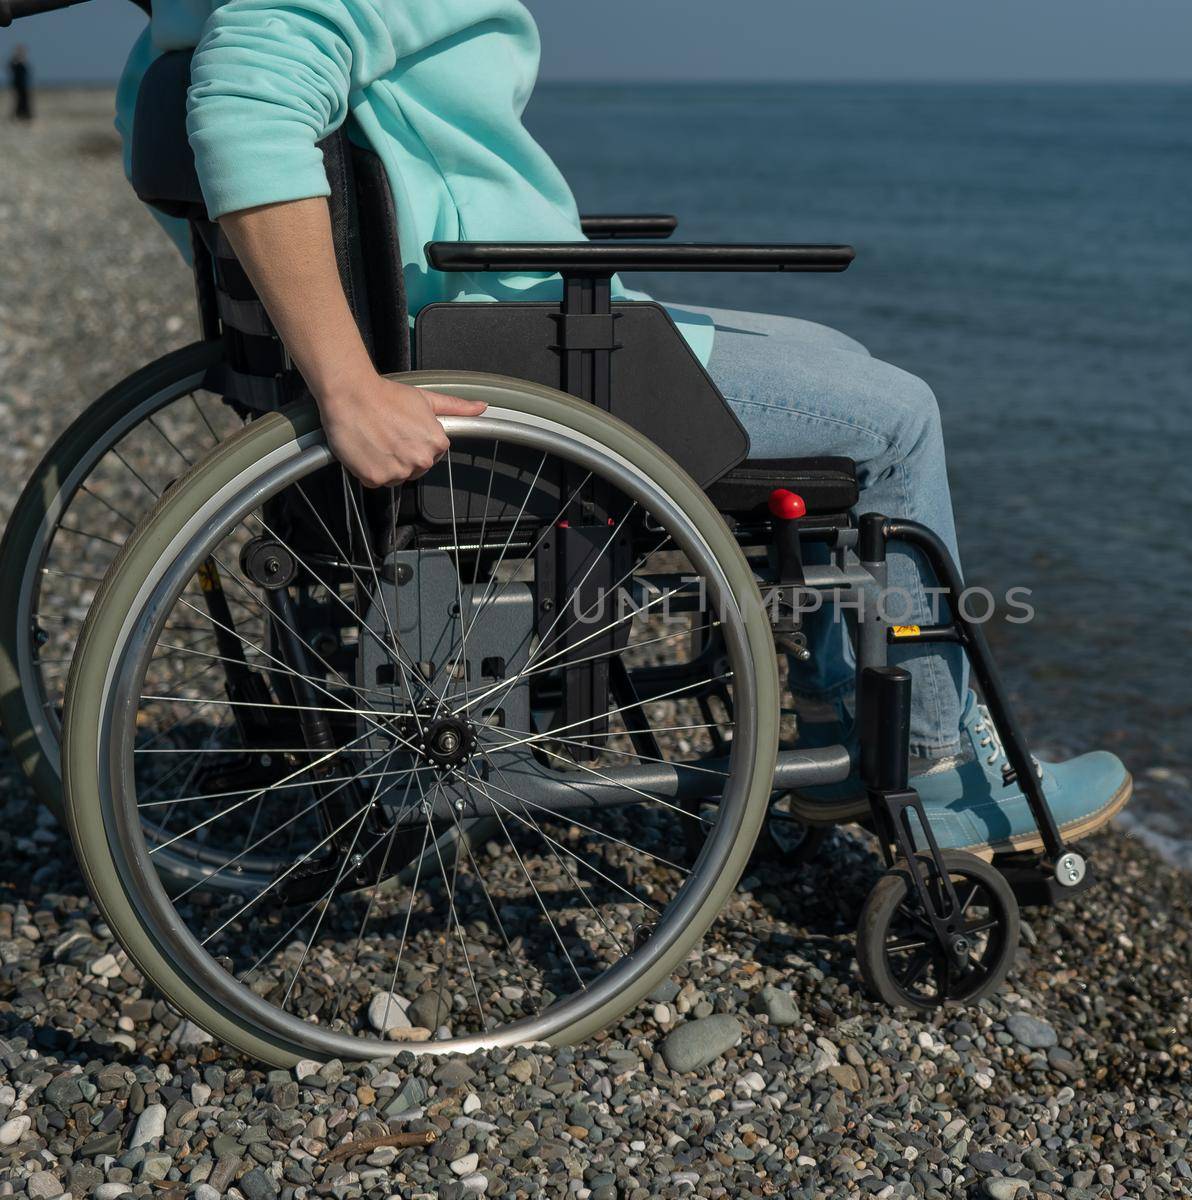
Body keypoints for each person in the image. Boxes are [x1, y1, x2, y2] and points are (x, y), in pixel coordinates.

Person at [114, 0, 1130, 856]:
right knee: (896, 415)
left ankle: (839, 717)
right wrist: (345, 382)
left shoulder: (172, 24)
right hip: (505, 357)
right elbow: (248, 106)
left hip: (481, 320)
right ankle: (932, 766)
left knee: (836, 361)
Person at [9, 45, 31, 122]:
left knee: (25, 100)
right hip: (18, 85)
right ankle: (18, 115)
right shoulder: (15, 62)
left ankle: (25, 115)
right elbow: (11, 69)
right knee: (19, 100)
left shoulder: (23, 61)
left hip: (24, 84)